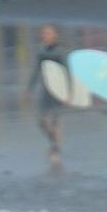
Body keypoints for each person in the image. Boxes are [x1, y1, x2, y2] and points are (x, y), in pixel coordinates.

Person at [26, 23, 69, 165]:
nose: (45, 36)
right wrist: (29, 89)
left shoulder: (60, 52)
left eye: (48, 34)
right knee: (41, 121)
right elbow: (36, 71)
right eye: (43, 34)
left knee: (56, 122)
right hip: (46, 91)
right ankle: (54, 143)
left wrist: (68, 93)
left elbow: (68, 73)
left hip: (59, 91)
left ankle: (55, 149)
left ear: (55, 36)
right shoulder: (41, 52)